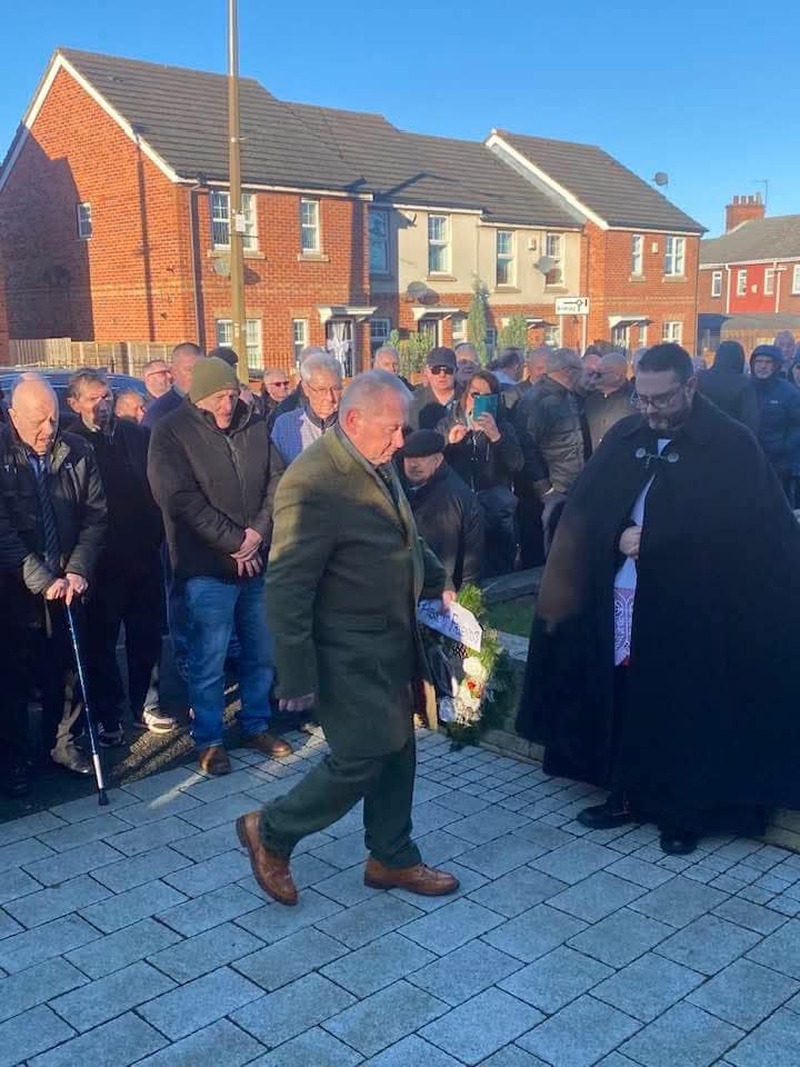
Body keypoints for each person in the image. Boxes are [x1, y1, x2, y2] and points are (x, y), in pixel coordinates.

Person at [516, 342, 800, 855]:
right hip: (625, 598)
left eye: (662, 399)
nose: (650, 410)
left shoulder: (732, 445)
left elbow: (757, 535)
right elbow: (584, 510)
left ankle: (684, 811)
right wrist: (617, 533)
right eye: (643, 399)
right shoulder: (627, 434)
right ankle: (623, 792)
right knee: (627, 696)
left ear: (690, 385)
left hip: (696, 609)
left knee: (685, 706)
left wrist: (661, 539)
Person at [236, 369, 458, 906]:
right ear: (353, 419)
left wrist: (437, 581)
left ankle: (391, 855)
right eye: (392, 429)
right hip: (346, 648)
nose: (402, 442)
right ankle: (271, 831)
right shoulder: (312, 482)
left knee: (399, 745)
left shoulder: (374, 459)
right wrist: (295, 671)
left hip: (390, 638)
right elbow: (288, 582)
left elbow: (406, 533)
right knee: (362, 754)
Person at [148, 357, 290, 775]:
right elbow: (179, 499)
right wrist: (233, 542)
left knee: (261, 651)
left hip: (255, 560)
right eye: (217, 397)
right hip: (206, 566)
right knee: (208, 660)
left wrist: (257, 536)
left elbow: (277, 480)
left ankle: (256, 724)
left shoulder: (254, 424)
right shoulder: (170, 432)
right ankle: (208, 739)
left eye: (231, 394)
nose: (226, 404)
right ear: (198, 397)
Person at [0, 375, 107, 786]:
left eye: (53, 419)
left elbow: (96, 517)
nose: (47, 431)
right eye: (36, 422)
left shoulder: (78, 450)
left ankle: (63, 743)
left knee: (67, 671)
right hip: (15, 586)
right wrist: (40, 578)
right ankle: (14, 758)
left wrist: (78, 569)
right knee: (13, 676)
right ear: (12, 416)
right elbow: (2, 530)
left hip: (67, 581)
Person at [67, 370, 175, 744]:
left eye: (107, 396)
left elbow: (157, 487)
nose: (103, 404)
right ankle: (108, 715)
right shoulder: (73, 443)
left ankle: (147, 703)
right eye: (94, 398)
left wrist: (157, 532)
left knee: (146, 635)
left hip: (143, 553)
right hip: (101, 561)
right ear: (75, 404)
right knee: (102, 641)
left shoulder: (136, 434)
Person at [438, 370, 523, 576]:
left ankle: (502, 599)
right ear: (466, 395)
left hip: (495, 505)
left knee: (499, 562)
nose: (478, 401)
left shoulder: (503, 426)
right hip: (460, 505)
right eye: (474, 394)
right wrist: (448, 443)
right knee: (463, 561)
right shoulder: (448, 423)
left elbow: (517, 464)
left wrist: (496, 436)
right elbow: (431, 465)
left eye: (486, 397)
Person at [515, 347, 585, 554]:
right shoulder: (537, 401)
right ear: (568, 371)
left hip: (568, 486)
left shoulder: (568, 396)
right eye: (579, 370)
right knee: (545, 551)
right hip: (549, 492)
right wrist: (545, 489)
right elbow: (526, 448)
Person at [401, 429, 484, 590]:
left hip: (448, 590)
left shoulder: (447, 498)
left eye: (422, 458)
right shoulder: (416, 486)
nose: (413, 464)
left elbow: (443, 558)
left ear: (438, 460)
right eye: (409, 458)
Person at [270, 351, 342, 464]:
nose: (330, 397)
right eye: (321, 390)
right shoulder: (285, 425)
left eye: (336, 388)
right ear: (306, 389)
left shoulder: (355, 423)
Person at [750, 343, 800, 504]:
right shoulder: (745, 388)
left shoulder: (788, 392)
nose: (762, 366)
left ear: (776, 365)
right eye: (759, 362)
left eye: (768, 362)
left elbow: (797, 426)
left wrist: (785, 448)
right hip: (749, 459)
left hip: (780, 464)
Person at [696, 340, 758, 431]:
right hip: (731, 437)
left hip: (700, 434)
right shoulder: (744, 383)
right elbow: (750, 419)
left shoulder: (699, 378)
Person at [142, 342, 203, 429]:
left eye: (201, 368)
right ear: (174, 372)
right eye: (189, 370)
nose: (197, 375)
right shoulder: (159, 412)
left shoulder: (217, 404)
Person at [583, 351, 635, 453]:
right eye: (592, 373)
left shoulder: (636, 402)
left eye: (599, 375)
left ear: (617, 376)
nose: (593, 379)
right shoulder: (591, 401)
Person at [408, 347, 460, 430]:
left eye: (448, 370)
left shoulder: (468, 398)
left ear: (456, 371)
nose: (442, 374)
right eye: (436, 370)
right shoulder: (413, 403)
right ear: (427, 372)